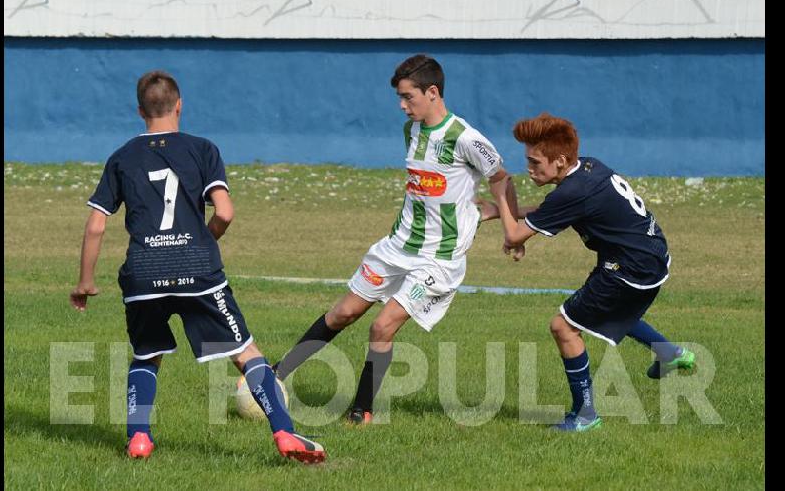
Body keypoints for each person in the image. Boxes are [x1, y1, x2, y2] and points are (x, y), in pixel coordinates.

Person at [69, 70, 326, 463]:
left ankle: (138, 438)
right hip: (197, 270)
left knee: (145, 355)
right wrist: (201, 244)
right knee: (245, 352)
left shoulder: (121, 157)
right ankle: (286, 433)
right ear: (179, 104)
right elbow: (224, 212)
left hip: (142, 274)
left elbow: (96, 224)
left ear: (140, 110)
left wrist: (85, 282)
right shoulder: (202, 149)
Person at [272, 54, 526, 424]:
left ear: (433, 92)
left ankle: (362, 410)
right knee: (343, 313)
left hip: (437, 261)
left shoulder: (467, 138)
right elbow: (441, 191)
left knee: (382, 325)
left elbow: (501, 178)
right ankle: (276, 375)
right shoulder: (411, 131)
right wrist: (474, 210)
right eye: (400, 98)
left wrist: (511, 230)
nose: (402, 106)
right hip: (396, 247)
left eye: (408, 97)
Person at [484, 112, 696, 432]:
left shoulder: (572, 192)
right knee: (611, 308)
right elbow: (551, 211)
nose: (529, 170)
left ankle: (585, 415)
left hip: (628, 268)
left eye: (535, 162)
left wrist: (501, 199)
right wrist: (506, 214)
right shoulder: (588, 167)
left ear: (560, 160)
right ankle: (670, 353)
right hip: (653, 255)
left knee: (564, 328)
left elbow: (515, 236)